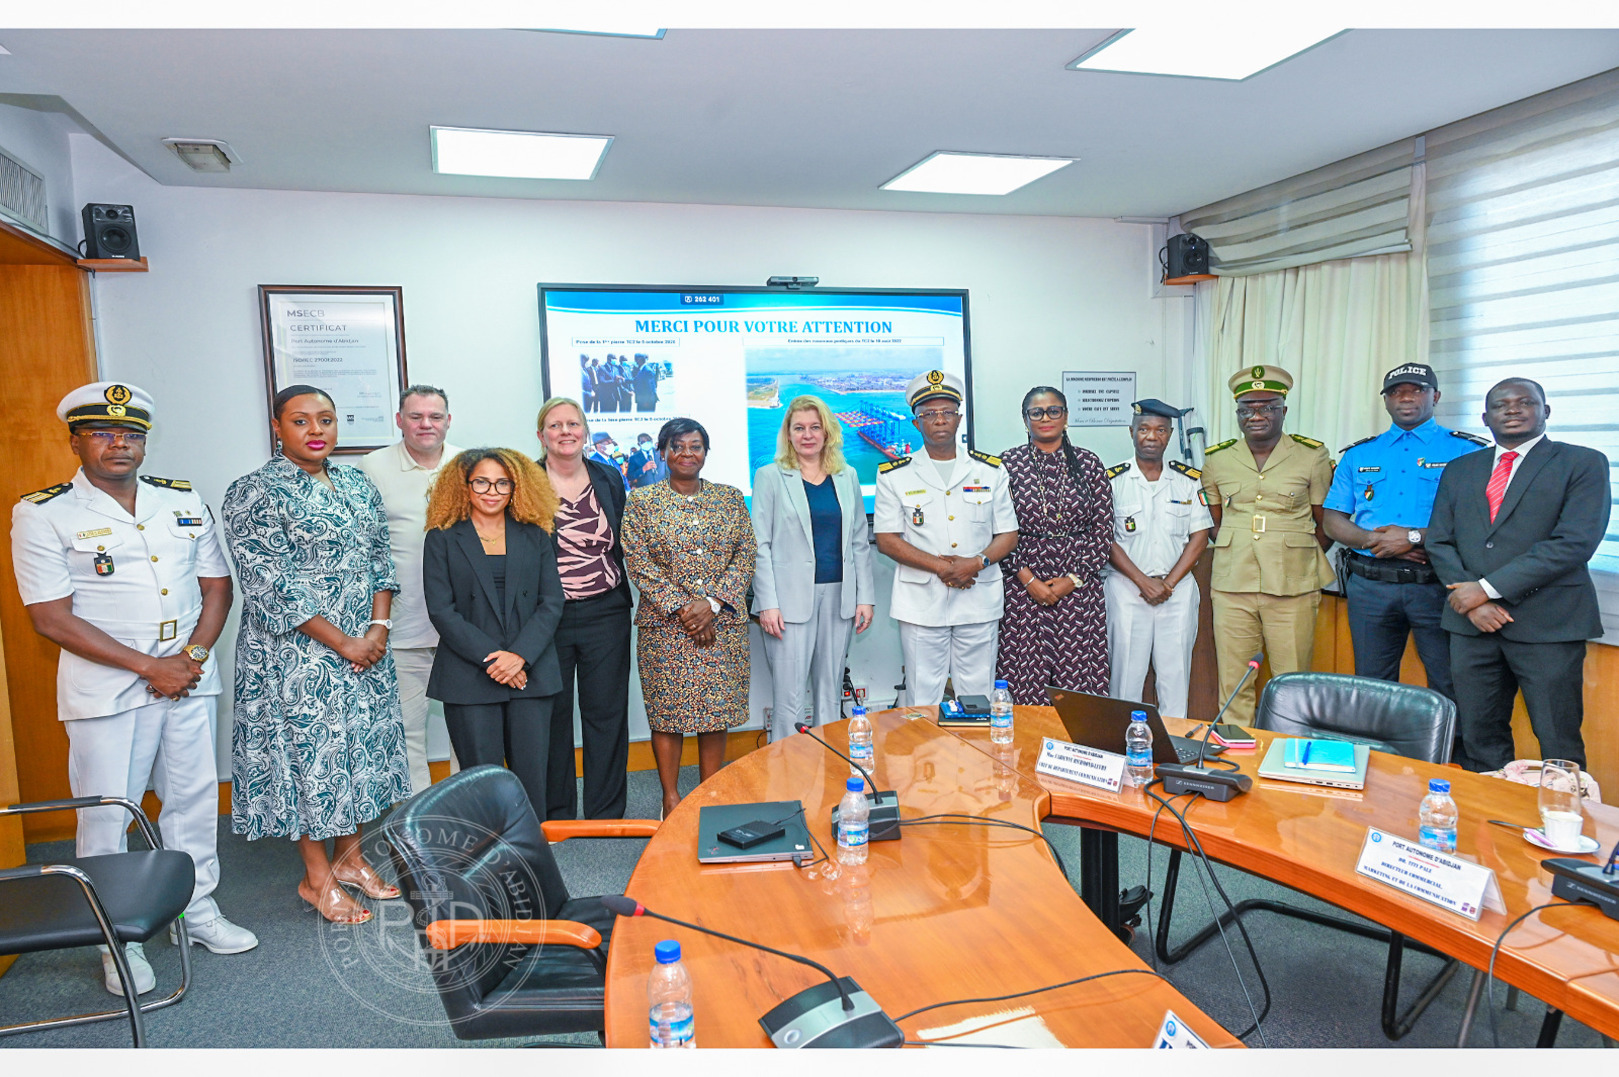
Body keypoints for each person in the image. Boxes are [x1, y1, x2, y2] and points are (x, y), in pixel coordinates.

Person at [11, 382, 258, 995]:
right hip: (107, 690)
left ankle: (197, 909)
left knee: (194, 802)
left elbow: (217, 586)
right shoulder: (43, 512)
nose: (119, 443)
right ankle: (114, 937)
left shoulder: (180, 499)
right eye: (103, 432)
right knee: (107, 815)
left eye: (131, 433)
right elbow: (50, 616)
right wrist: (152, 668)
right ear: (76, 440)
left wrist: (192, 656)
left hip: (188, 680)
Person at [223, 384, 410, 925]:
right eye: (300, 421)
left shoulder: (355, 482)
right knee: (309, 760)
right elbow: (269, 583)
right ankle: (315, 876)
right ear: (277, 428)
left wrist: (377, 627)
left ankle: (350, 862)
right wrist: (346, 641)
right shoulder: (254, 491)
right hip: (295, 653)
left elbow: (381, 557)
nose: (315, 430)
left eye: (325, 420)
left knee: (353, 755)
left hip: (365, 646)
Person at [1426, 378, 1610, 771]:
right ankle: (1488, 827)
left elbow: (1574, 543)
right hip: (1471, 626)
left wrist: (1487, 590)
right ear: (1484, 417)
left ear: (1545, 412)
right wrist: (1472, 602)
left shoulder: (1582, 462)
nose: (1512, 409)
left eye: (1525, 402)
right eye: (1501, 404)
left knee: (1557, 738)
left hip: (1548, 625)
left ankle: (1560, 826)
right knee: (1479, 736)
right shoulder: (1461, 469)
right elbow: (1440, 541)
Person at [1321, 363, 1488, 716]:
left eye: (1417, 390)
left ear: (1435, 396)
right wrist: (1373, 540)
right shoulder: (1360, 454)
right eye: (1396, 392)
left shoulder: (1467, 452)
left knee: (1449, 682)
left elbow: (1481, 522)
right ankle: (1378, 761)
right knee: (1371, 684)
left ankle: (1451, 763)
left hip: (1438, 585)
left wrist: (1413, 538)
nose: (1406, 397)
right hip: (1370, 585)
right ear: (1385, 401)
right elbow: (1333, 519)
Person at [621, 418, 755, 817]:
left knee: (715, 712)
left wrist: (711, 604)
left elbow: (745, 554)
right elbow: (638, 561)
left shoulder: (730, 499)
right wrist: (684, 608)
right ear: (662, 452)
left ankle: (710, 794)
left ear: (705, 453)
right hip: (665, 627)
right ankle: (671, 798)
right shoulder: (641, 503)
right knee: (668, 713)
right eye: (677, 446)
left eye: (695, 446)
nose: (686, 454)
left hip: (721, 624)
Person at [422, 448, 565, 815]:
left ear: (516, 487)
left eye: (503, 483)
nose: (492, 491)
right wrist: (494, 660)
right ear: (464, 486)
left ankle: (529, 854)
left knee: (532, 776)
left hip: (529, 670)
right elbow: (442, 610)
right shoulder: (442, 537)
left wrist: (519, 657)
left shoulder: (537, 534)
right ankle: (485, 853)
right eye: (482, 482)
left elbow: (551, 601)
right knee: (481, 779)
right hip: (470, 673)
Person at [1199, 366, 1335, 726]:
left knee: (1291, 680)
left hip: (1292, 584)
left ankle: (1289, 752)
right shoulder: (1217, 458)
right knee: (1234, 679)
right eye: (1247, 408)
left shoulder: (1312, 455)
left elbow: (1326, 522)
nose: (1256, 415)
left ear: (1283, 410)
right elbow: (1213, 521)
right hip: (1232, 583)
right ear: (1238, 414)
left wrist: (1294, 555)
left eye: (1267, 406)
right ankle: (1233, 752)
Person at [873, 370, 1018, 706]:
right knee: (923, 697)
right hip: (922, 603)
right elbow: (887, 539)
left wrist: (975, 563)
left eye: (947, 412)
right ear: (916, 423)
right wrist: (944, 567)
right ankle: (927, 760)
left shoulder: (990, 471)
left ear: (959, 418)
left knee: (978, 695)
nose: (939, 420)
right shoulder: (894, 475)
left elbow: (1008, 534)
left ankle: (976, 760)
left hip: (978, 599)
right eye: (929, 414)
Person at [358, 384, 463, 794]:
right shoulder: (372, 467)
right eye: (416, 416)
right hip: (403, 626)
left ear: (448, 421)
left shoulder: (467, 464)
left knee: (469, 730)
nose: (426, 424)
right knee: (407, 733)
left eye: (435, 417)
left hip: (464, 627)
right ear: (399, 420)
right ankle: (420, 823)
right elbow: (365, 547)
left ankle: (467, 812)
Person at [752, 395, 876, 740]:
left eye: (815, 427)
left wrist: (864, 597)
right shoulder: (770, 476)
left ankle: (826, 768)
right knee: (788, 700)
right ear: (788, 434)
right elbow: (760, 545)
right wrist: (768, 603)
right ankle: (787, 776)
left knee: (829, 690)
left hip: (839, 598)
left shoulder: (847, 475)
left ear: (827, 432)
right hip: (787, 603)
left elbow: (857, 541)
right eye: (799, 428)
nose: (807, 435)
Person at [537, 398, 633, 820]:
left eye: (573, 423)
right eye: (555, 425)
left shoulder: (608, 477)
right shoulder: (526, 481)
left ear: (585, 431)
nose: (565, 431)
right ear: (541, 435)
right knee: (552, 718)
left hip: (606, 612)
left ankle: (606, 813)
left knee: (607, 713)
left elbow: (623, 541)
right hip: (546, 618)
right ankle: (558, 813)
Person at [995, 386, 1112, 704]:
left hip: (1079, 588)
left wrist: (1070, 581)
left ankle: (1081, 753)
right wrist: (1028, 580)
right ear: (1025, 419)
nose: (1046, 418)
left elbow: (1102, 533)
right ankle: (1023, 752)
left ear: (1066, 417)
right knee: (1023, 681)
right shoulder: (1007, 465)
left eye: (1054, 411)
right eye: (1037, 412)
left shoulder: (1089, 464)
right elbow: (998, 530)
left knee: (1079, 686)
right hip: (1022, 587)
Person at [1103, 399, 1213, 717]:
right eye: (1145, 429)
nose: (1152, 436)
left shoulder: (1188, 480)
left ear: (1169, 435)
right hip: (1126, 589)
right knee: (1125, 679)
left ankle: (1171, 754)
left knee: (1175, 677)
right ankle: (1122, 747)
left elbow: (1200, 537)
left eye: (1161, 430)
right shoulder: (1112, 481)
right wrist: (1143, 582)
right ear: (1132, 432)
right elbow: (1105, 540)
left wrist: (1167, 583)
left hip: (1176, 591)